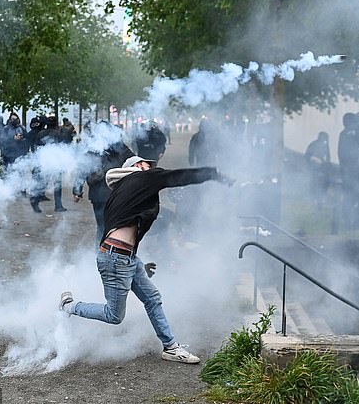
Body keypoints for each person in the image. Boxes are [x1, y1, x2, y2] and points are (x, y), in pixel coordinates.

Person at [60, 155, 234, 364]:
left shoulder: (124, 192)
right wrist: (213, 174)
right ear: (136, 167)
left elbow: (133, 229)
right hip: (117, 258)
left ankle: (170, 347)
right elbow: (178, 176)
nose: (151, 167)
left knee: (152, 298)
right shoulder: (142, 179)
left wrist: (136, 265)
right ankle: (69, 306)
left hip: (124, 258)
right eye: (146, 164)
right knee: (114, 315)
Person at [72, 122, 134, 242]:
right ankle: (104, 254)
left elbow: (133, 162)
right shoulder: (95, 148)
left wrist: (77, 191)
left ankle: (105, 253)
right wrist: (77, 190)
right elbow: (82, 169)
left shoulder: (117, 147)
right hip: (108, 194)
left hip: (112, 193)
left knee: (106, 227)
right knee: (108, 227)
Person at [304, 131, 331, 208]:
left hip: (323, 169)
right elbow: (307, 156)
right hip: (314, 168)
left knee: (324, 184)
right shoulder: (313, 145)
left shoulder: (326, 146)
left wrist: (326, 164)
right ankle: (313, 200)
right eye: (324, 139)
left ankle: (321, 200)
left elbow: (328, 157)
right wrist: (314, 160)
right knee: (314, 184)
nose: (325, 141)